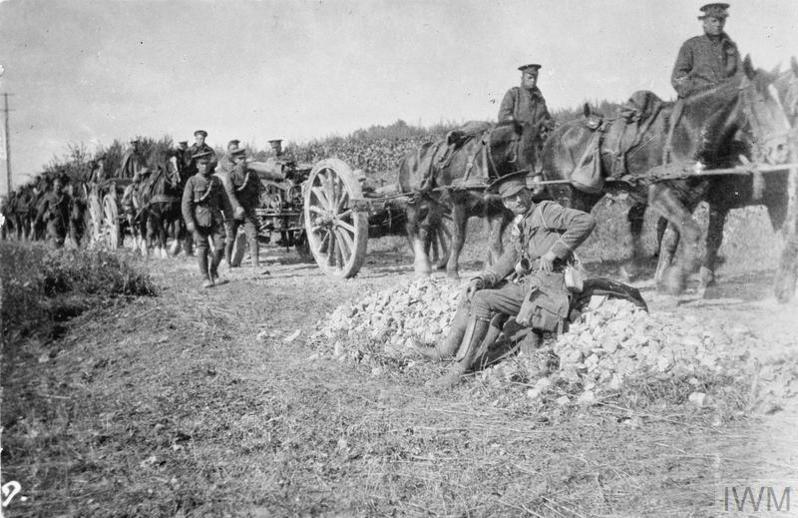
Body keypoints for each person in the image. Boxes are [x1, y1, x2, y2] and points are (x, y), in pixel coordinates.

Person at [417, 172, 595, 388]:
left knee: (482, 300)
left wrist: (554, 252)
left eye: (521, 194)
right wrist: (482, 279)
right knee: (473, 291)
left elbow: (586, 220)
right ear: (505, 203)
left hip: (547, 293)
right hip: (530, 288)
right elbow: (508, 259)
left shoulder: (546, 211)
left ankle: (459, 371)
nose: (518, 200)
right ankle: (445, 351)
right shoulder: (520, 225)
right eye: (511, 198)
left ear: (529, 192)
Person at [497, 64, 554, 193]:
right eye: (529, 77)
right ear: (522, 77)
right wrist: (517, 124)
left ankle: (547, 183)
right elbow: (503, 115)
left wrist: (549, 124)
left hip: (538, 138)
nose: (533, 80)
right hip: (518, 137)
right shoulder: (514, 94)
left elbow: (546, 117)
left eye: (535, 78)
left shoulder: (539, 98)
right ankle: (526, 183)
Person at [181, 150, 232, 288]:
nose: (205, 166)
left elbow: (226, 202)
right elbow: (186, 203)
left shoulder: (216, 181)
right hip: (199, 219)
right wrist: (189, 221)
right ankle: (205, 278)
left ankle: (213, 271)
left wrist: (229, 218)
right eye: (202, 164)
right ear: (197, 165)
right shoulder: (192, 181)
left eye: (207, 164)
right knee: (202, 247)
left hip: (216, 218)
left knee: (221, 246)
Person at [671, 3, 741, 99]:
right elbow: (678, 77)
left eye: (721, 20)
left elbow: (740, 74)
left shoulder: (730, 48)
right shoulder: (691, 45)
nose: (718, 24)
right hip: (698, 101)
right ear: (704, 23)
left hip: (726, 101)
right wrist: (694, 93)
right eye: (714, 21)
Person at [219, 147, 263, 268]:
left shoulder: (252, 174)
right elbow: (230, 193)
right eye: (240, 159)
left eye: (244, 158)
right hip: (233, 212)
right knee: (231, 238)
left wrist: (259, 202)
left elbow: (259, 189)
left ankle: (256, 265)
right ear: (235, 161)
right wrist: (237, 207)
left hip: (248, 211)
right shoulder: (231, 175)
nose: (243, 161)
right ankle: (228, 263)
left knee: (253, 236)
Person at [35, 174, 71, 248]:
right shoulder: (49, 196)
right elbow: (42, 209)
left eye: (60, 185)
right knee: (56, 239)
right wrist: (37, 220)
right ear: (53, 186)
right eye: (56, 185)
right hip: (53, 221)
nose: (58, 187)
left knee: (62, 242)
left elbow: (71, 207)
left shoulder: (65, 197)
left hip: (63, 223)